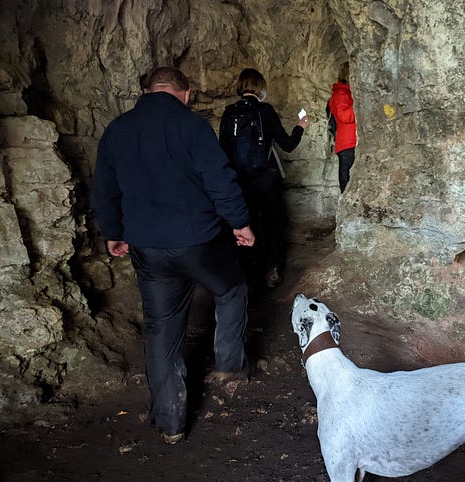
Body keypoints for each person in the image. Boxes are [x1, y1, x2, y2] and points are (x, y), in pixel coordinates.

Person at [93, 67, 255, 445]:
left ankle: (170, 422)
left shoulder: (117, 130)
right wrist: (240, 223)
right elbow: (219, 179)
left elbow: (105, 189)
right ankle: (230, 365)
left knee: (160, 328)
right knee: (231, 289)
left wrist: (114, 234)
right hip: (197, 241)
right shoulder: (192, 126)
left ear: (145, 91)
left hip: (147, 247)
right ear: (186, 93)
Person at [218, 68, 309, 289]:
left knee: (245, 224)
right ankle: (272, 270)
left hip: (238, 182)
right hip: (266, 180)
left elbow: (221, 151)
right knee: (273, 225)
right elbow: (287, 145)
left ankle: (247, 272)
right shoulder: (265, 110)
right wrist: (301, 126)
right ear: (260, 88)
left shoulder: (229, 112)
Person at [328, 61, 357, 192]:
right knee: (347, 180)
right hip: (347, 143)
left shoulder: (345, 93)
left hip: (349, 142)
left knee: (350, 178)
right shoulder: (341, 94)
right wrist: (357, 105)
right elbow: (344, 116)